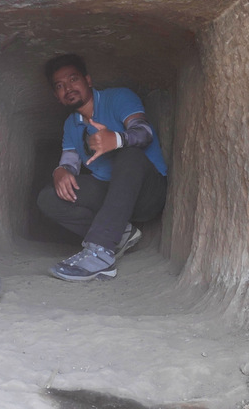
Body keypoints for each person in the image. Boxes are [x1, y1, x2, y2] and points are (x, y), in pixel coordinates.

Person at [37, 54, 168, 281]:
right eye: (60, 86)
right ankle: (121, 233)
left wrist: (116, 139)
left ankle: (100, 253)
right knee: (49, 197)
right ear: (57, 96)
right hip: (109, 196)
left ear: (88, 80)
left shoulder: (118, 98)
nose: (68, 88)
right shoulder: (71, 124)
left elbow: (144, 132)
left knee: (129, 156)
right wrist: (60, 171)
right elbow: (69, 163)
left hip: (146, 192)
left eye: (73, 79)